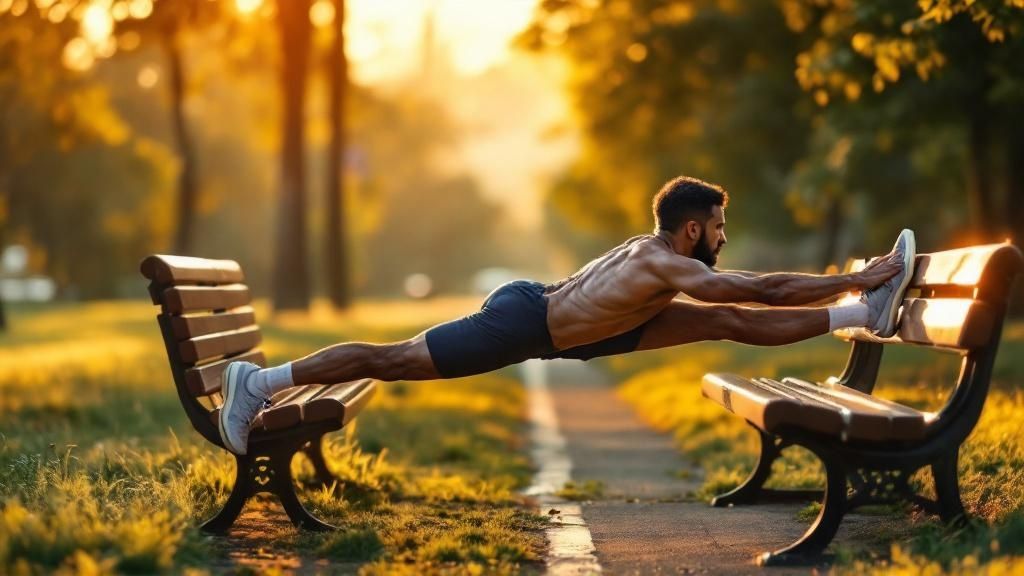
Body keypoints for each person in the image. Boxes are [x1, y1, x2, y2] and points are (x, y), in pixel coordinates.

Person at [218, 176, 916, 455]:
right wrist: (862, 267)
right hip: (527, 323)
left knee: (720, 322)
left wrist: (852, 294)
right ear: (693, 230)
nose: (725, 235)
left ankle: (866, 311)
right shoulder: (660, 265)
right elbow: (759, 289)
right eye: (719, 226)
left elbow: (745, 310)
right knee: (391, 359)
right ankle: (260, 382)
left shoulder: (659, 262)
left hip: (579, 331)